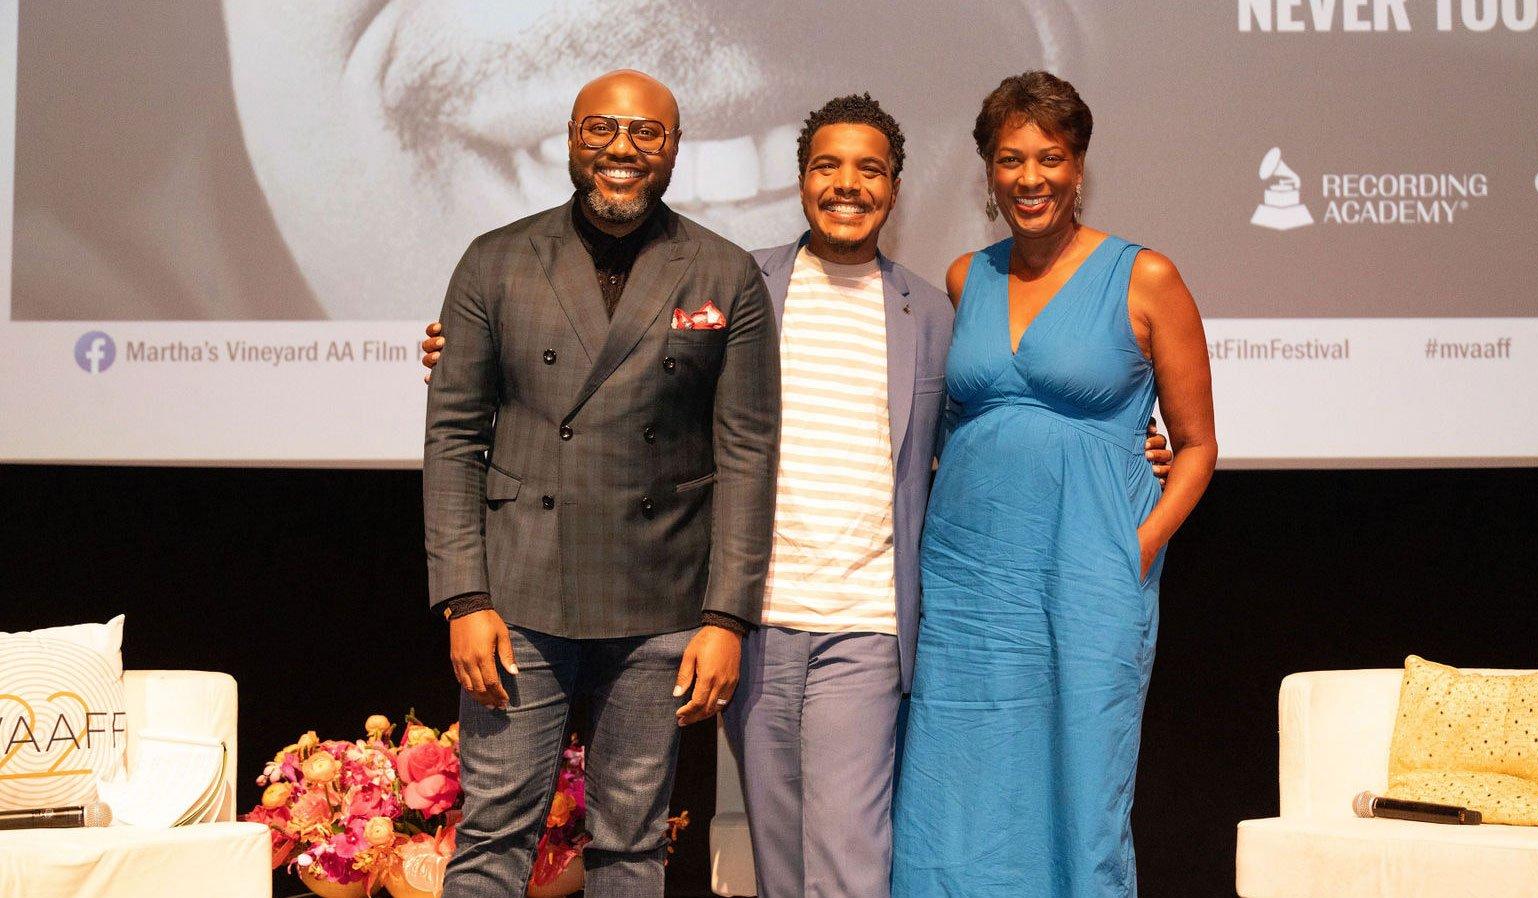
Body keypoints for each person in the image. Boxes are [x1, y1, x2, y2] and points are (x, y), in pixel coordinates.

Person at [423, 91, 1176, 898]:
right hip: (751, 617)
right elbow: (636, 372)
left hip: (867, 622)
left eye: (870, 170)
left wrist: (1119, 448)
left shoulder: (932, 311)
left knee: (846, 857)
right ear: (801, 179)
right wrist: (464, 350)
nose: (847, 185)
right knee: (775, 856)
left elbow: (993, 414)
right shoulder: (741, 282)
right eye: (827, 166)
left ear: (895, 187)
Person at [422, 69, 779, 898]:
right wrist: (463, 600)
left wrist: (726, 616)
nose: (623, 149)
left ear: (674, 149)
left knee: (632, 844)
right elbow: (453, 440)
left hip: (659, 603)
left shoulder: (724, 274)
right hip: (517, 600)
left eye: (646, 133)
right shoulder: (496, 259)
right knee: (491, 838)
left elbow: (749, 454)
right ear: (573, 139)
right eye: (602, 129)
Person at [890, 71, 1217, 898]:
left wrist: (1132, 549)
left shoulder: (1145, 278)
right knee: (953, 787)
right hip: (968, 580)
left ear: (1079, 167)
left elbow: (1199, 445)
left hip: (1088, 572)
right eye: (1010, 160)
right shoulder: (968, 276)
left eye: (1050, 157)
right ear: (987, 172)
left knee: (1081, 786)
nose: (1029, 177)